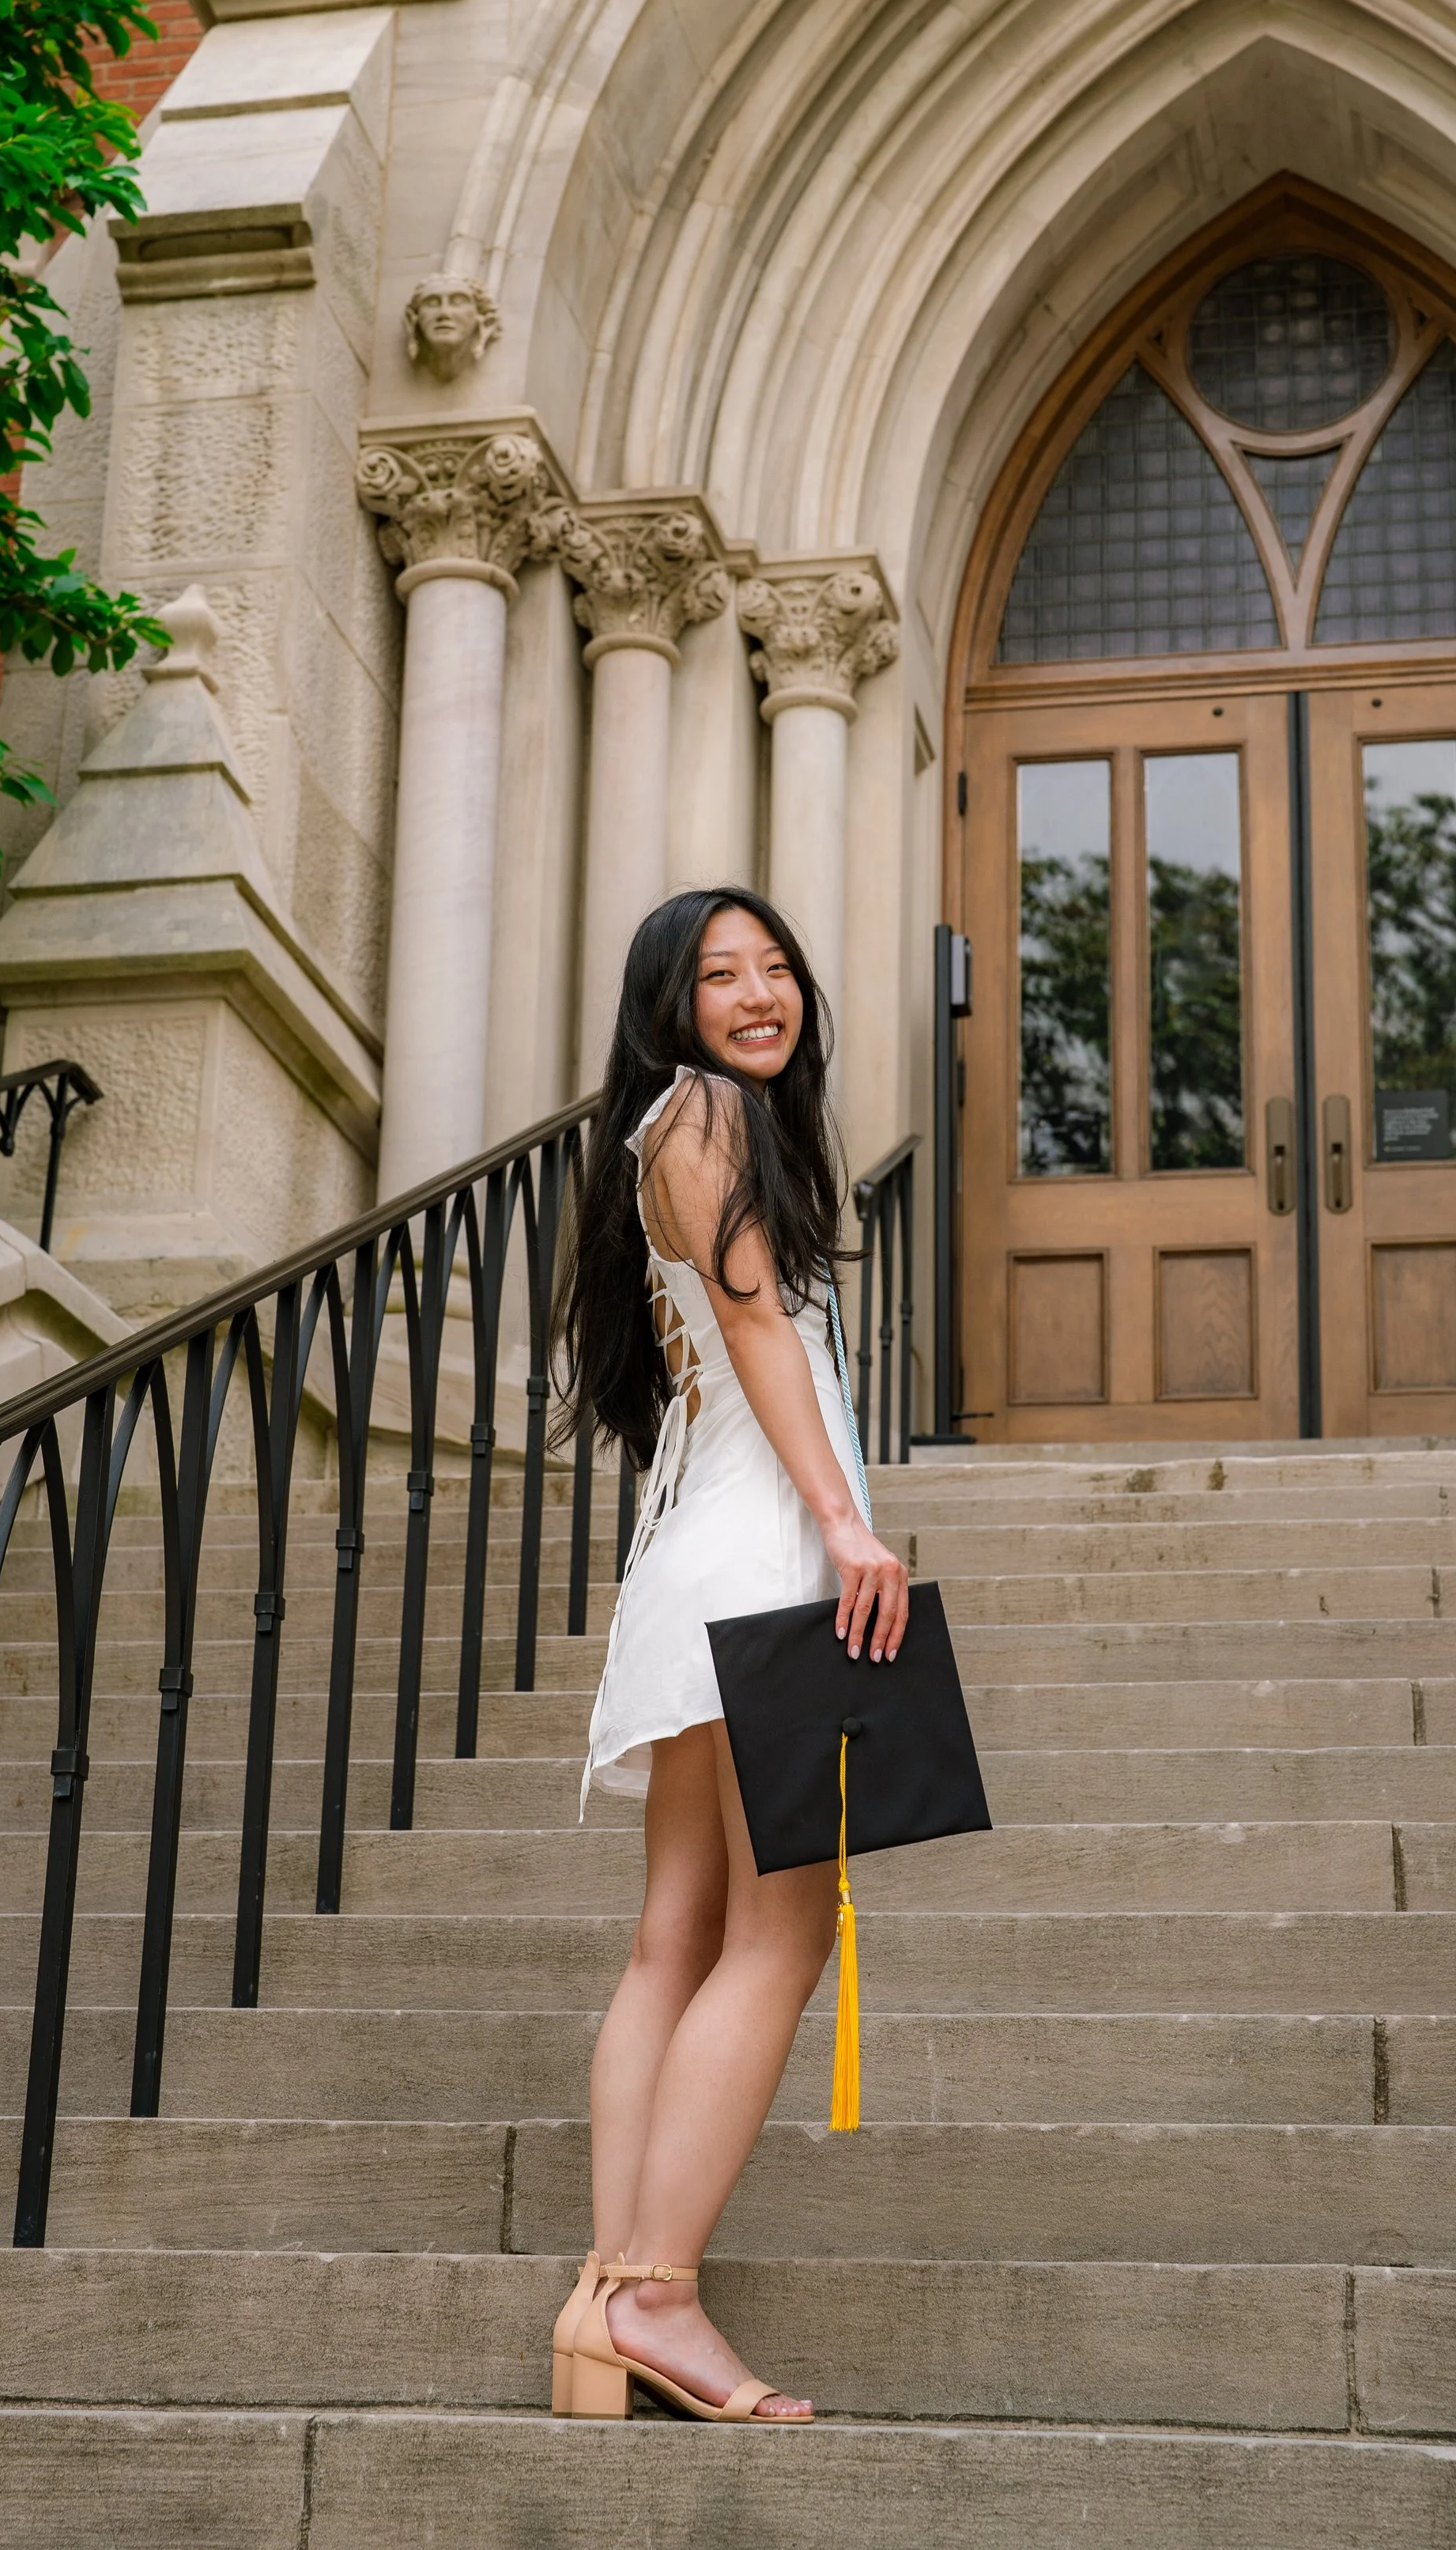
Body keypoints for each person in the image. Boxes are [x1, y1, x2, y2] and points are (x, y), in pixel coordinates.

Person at [548, 886, 911, 2423]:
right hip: (763, 1563)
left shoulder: (673, 1130)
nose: (759, 993)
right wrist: (844, 1525)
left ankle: (604, 2291)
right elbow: (759, 1330)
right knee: (783, 1934)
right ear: (668, 1005)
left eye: (775, 968)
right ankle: (659, 2296)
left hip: (697, 1560)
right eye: (720, 973)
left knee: (676, 1937)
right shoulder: (702, 1114)